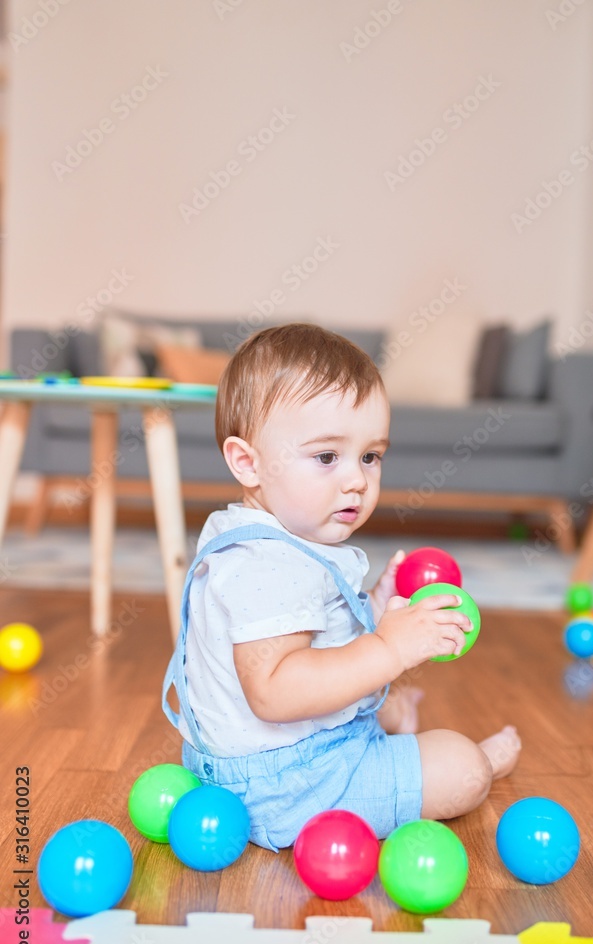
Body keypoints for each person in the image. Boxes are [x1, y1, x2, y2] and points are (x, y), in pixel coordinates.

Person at [163, 323, 521, 851]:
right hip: (289, 786)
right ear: (248, 462)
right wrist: (388, 647)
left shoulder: (254, 534)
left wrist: (375, 605)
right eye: (327, 457)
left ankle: (391, 721)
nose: (356, 479)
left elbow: (314, 633)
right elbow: (276, 690)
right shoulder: (268, 565)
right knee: (460, 765)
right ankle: (480, 763)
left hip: (259, 766)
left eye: (370, 456)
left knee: (386, 700)